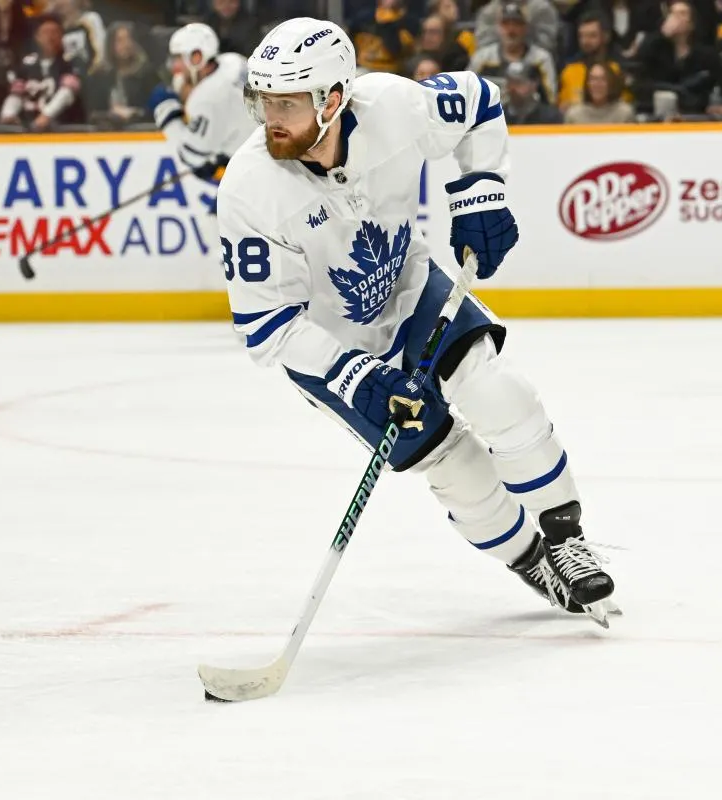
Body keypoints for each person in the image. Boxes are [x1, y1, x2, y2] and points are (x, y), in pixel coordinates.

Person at [217, 17, 618, 620]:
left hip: (411, 290)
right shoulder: (251, 189)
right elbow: (268, 325)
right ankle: (530, 559)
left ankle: (567, 538)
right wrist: (353, 374)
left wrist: (480, 189)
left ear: (333, 98)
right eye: (263, 100)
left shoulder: (395, 107)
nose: (271, 116)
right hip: (328, 347)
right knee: (447, 459)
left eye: (287, 102)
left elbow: (482, 103)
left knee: (498, 394)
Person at [147, 23, 254, 210]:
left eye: (179, 58)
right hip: (265, 154)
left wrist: (167, 117)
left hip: (257, 175)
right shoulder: (233, 61)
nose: (175, 66)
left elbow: (192, 158)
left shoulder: (206, 99)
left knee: (218, 226)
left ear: (196, 57)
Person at [0, 14, 83, 131]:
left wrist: (46, 116)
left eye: (55, 32)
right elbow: (16, 94)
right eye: (45, 32)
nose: (50, 37)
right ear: (37, 37)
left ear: (62, 36)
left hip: (60, 128)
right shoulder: (25, 64)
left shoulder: (71, 63)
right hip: (26, 126)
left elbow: (67, 94)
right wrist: (8, 115)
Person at [634, 0, 719, 114]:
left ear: (692, 23)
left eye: (682, 13)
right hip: (657, 110)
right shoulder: (655, 48)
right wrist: (662, 34)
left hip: (693, 113)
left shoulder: (705, 55)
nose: (676, 18)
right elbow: (642, 73)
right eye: (672, 14)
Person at [469, 2, 557, 105]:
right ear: (498, 27)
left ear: (526, 28)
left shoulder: (541, 59)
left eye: (517, 24)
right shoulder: (482, 58)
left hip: (531, 117)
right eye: (505, 24)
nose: (511, 30)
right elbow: (467, 94)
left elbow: (551, 100)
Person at [84, 23, 157, 129]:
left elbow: (155, 109)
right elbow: (92, 112)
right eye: (120, 40)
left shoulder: (146, 74)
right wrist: (110, 114)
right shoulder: (99, 75)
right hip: (105, 132)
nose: (126, 44)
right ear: (110, 45)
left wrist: (135, 113)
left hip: (141, 131)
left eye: (129, 39)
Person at [564, 60, 635, 124]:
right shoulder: (574, 115)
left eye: (603, 79)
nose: (597, 84)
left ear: (611, 83)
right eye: (593, 79)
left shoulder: (625, 113)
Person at [501, 59, 563, 124]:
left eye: (518, 83)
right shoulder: (495, 116)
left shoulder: (551, 117)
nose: (512, 88)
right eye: (510, 83)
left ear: (534, 84)